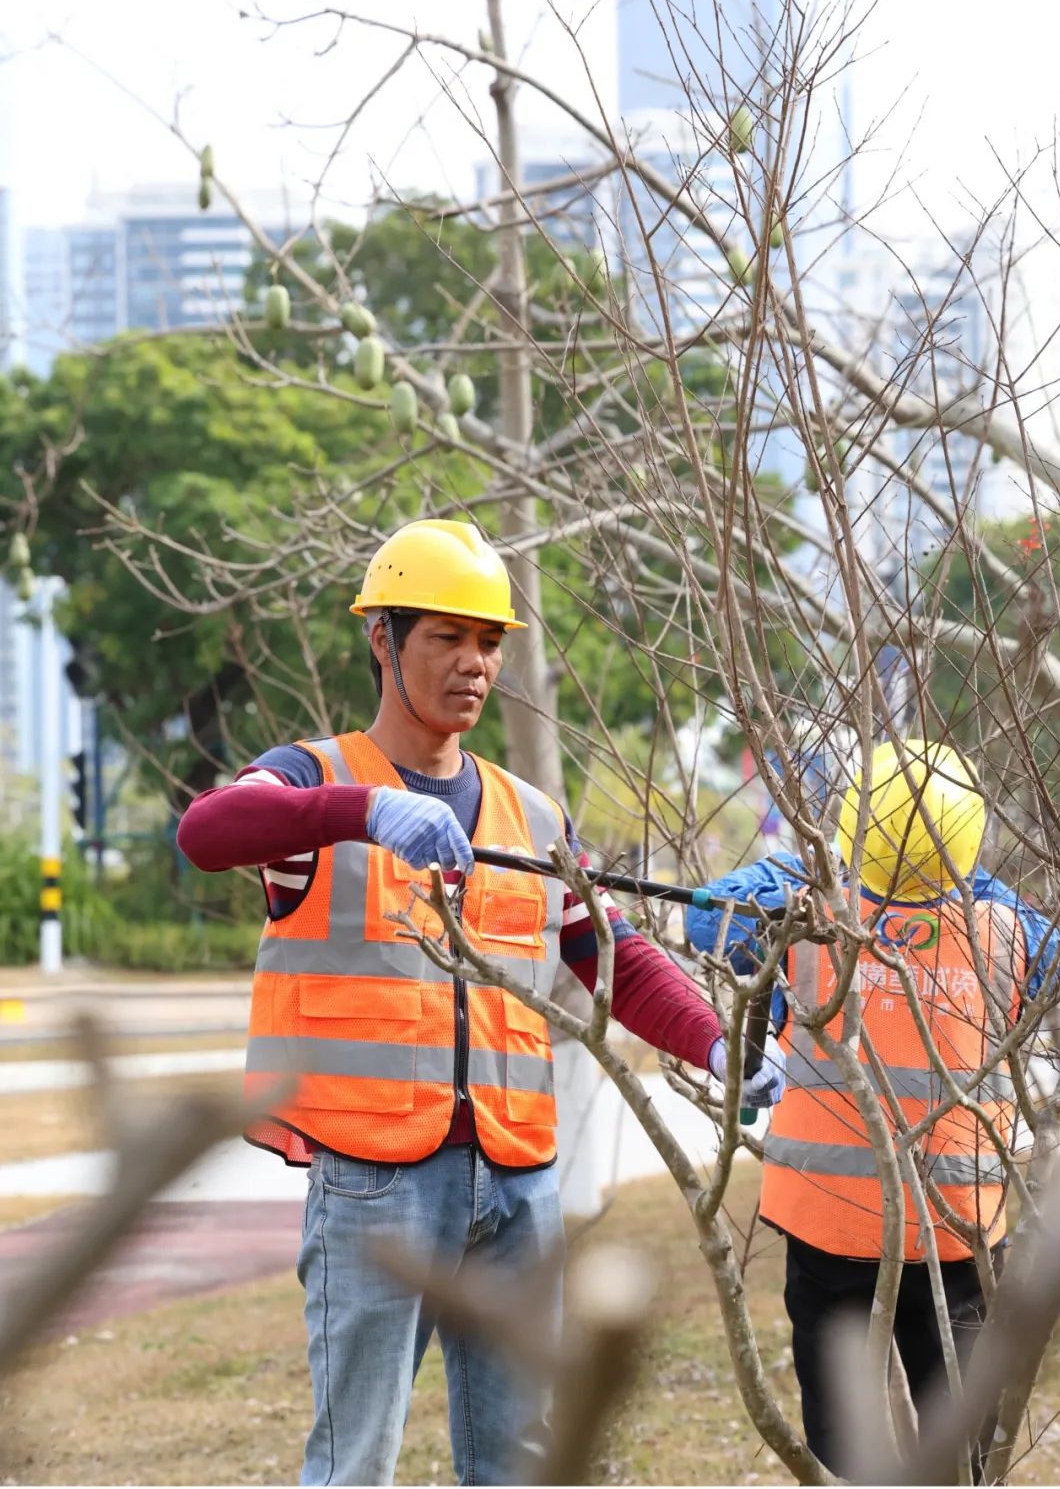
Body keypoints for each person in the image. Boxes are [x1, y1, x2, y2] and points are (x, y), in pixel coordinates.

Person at [177, 517, 785, 1487]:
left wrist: (718, 1045)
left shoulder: (532, 815)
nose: (474, 662)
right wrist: (366, 812)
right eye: (446, 636)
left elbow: (612, 954)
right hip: (373, 1181)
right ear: (382, 640)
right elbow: (208, 830)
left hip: (518, 1178)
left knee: (520, 1464)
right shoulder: (315, 779)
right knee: (354, 1464)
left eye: (490, 641)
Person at [686, 739, 1060, 1476]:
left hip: (825, 1225)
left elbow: (706, 922)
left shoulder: (804, 918)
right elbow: (1059, 960)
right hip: (957, 1230)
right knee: (961, 1449)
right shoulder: (1009, 932)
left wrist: (813, 869)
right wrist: (968, 880)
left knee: (841, 1445)